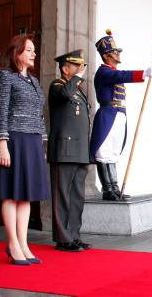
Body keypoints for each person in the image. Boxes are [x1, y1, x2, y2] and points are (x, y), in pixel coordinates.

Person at [0, 34, 50, 265]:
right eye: (29, 50)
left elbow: (39, 114)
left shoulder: (34, 81)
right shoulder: (5, 76)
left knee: (26, 195)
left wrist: (43, 144)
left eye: (33, 50)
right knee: (11, 193)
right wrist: (3, 143)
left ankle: (24, 243)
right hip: (15, 140)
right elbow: (2, 111)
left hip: (33, 141)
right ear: (16, 52)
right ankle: (13, 244)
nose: (33, 54)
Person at [90, 30, 152, 200]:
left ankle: (115, 188)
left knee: (113, 152)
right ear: (107, 55)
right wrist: (142, 74)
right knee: (103, 152)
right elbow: (119, 75)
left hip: (118, 115)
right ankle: (107, 190)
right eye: (115, 52)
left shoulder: (111, 71)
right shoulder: (104, 72)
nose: (118, 54)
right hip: (107, 115)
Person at [48, 50, 92, 252]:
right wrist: (76, 78)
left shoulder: (78, 89)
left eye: (81, 66)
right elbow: (65, 95)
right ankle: (63, 238)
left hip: (81, 150)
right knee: (62, 196)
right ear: (65, 69)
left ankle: (74, 235)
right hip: (64, 150)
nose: (81, 70)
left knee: (76, 197)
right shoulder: (58, 85)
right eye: (76, 66)